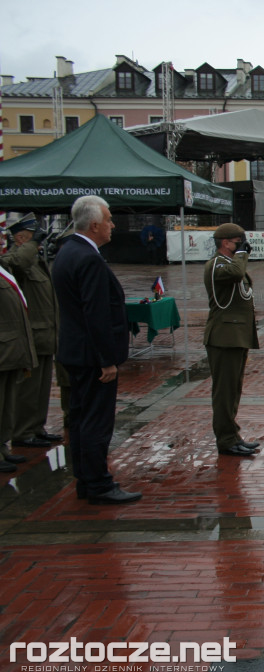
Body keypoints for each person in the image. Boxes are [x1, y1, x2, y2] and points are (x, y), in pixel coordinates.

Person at [51, 195, 141, 504]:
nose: (113, 225)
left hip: (75, 352)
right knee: (95, 422)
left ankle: (86, 480)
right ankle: (99, 484)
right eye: (109, 220)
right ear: (94, 225)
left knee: (78, 419)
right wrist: (107, 360)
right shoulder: (87, 257)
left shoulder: (67, 252)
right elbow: (96, 313)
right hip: (92, 357)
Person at [2, 215, 63, 449]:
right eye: (32, 237)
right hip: (31, 338)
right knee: (27, 390)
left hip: (45, 335)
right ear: (19, 238)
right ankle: (23, 431)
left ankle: (37, 427)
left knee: (41, 388)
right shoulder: (14, 260)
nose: (38, 241)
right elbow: (17, 263)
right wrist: (29, 245)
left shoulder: (35, 261)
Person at [203, 223, 261, 457]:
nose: (242, 245)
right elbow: (237, 273)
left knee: (233, 390)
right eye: (238, 242)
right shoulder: (217, 264)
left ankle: (232, 435)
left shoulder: (229, 263)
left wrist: (239, 255)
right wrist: (242, 255)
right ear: (225, 242)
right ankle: (225, 440)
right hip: (223, 337)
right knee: (224, 393)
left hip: (235, 336)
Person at [0, 227, 37, 474]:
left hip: (10, 348)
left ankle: (3, 447)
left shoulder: (3, 271)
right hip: (4, 348)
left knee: (6, 402)